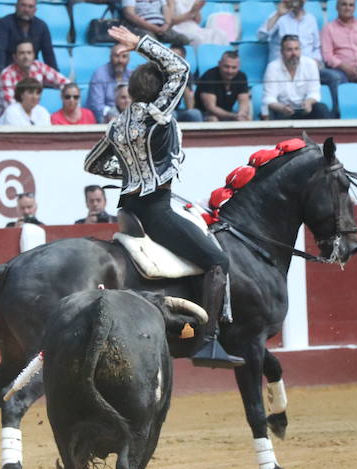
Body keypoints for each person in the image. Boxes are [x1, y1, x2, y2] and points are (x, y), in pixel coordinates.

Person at [84, 25, 243, 368]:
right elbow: (180, 68)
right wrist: (138, 43)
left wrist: (128, 172)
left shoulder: (117, 125)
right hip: (157, 212)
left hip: (128, 212)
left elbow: (92, 163)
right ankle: (209, 341)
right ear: (159, 91)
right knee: (218, 262)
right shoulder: (159, 116)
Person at [257, 0, 341, 104]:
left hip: (307, 69)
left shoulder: (311, 19)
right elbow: (261, 37)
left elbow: (316, 47)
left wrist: (316, 60)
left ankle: (336, 115)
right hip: (283, 70)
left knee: (334, 77)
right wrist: (278, 15)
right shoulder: (278, 17)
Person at [262, 34, 331, 119]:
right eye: (289, 50)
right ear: (281, 52)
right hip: (283, 111)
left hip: (305, 109)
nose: (294, 53)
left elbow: (314, 92)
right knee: (270, 111)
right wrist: (282, 108)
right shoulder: (273, 67)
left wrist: (309, 102)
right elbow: (269, 98)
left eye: (296, 49)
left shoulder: (310, 64)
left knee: (321, 108)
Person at [0, 0, 58, 80]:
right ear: (16, 6)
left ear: (35, 10)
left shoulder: (42, 27)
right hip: (9, 73)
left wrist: (55, 76)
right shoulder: (5, 23)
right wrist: (0, 76)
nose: (26, 10)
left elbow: (49, 55)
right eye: (23, 5)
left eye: (30, 6)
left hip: (32, 74)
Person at [0, 39, 67, 116]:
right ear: (15, 57)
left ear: (33, 55)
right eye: (22, 53)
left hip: (33, 115)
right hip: (11, 120)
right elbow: (11, 106)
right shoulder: (6, 74)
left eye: (29, 53)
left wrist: (68, 97)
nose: (26, 56)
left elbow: (65, 83)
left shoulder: (39, 67)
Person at [196, 49, 251, 121]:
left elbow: (244, 102)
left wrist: (241, 114)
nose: (230, 71)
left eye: (234, 67)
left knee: (246, 118)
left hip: (229, 114)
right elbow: (211, 108)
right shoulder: (209, 76)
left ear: (239, 67)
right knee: (213, 119)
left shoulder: (241, 76)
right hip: (205, 114)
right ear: (219, 64)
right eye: (226, 66)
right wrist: (233, 116)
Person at [86, 43, 132, 123]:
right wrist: (114, 116)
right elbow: (97, 106)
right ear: (110, 57)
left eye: (124, 56)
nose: (120, 60)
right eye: (116, 56)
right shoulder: (99, 74)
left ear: (128, 59)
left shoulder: (131, 75)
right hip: (106, 118)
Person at [121, 0, 190, 46]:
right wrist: (153, 28)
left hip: (162, 27)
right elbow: (129, 14)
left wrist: (167, 24)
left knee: (183, 40)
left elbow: (166, 9)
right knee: (152, 44)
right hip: (142, 27)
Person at [170, 44, 202, 121]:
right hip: (159, 113)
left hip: (177, 111)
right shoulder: (157, 72)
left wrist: (182, 80)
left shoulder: (186, 73)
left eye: (176, 57)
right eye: (170, 56)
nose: (172, 59)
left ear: (183, 59)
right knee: (171, 115)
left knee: (194, 113)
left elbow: (190, 107)